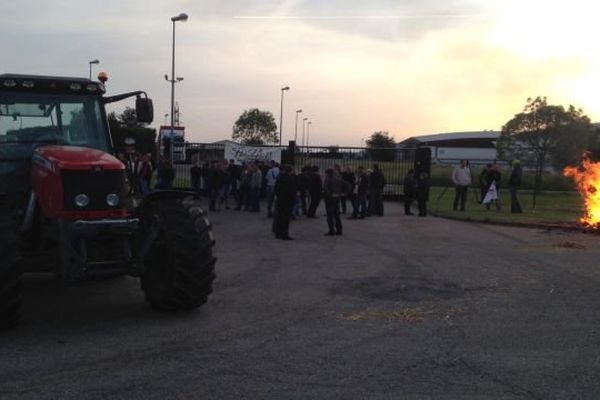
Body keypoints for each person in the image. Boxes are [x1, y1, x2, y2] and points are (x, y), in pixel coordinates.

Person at [273, 165, 297, 240]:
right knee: (285, 218)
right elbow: (292, 191)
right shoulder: (290, 179)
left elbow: (276, 188)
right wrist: (293, 199)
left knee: (279, 216)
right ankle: (284, 234)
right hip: (287, 201)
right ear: (290, 171)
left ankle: (278, 233)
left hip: (280, 200)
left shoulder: (280, 178)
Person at [323, 168, 343, 236]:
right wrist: (341, 193)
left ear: (327, 173)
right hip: (337, 198)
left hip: (330, 199)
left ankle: (332, 230)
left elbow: (325, 189)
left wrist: (330, 194)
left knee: (330, 215)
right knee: (337, 214)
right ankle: (339, 230)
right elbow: (346, 185)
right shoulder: (338, 179)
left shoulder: (327, 179)